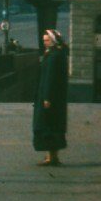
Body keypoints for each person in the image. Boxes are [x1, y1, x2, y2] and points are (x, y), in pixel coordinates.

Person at [33, 29, 69, 166]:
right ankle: (52, 156)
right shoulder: (57, 54)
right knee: (53, 125)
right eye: (43, 40)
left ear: (53, 41)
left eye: (47, 40)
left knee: (47, 125)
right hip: (55, 97)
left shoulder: (53, 57)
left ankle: (51, 157)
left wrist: (47, 97)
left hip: (48, 97)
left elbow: (50, 78)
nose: (44, 42)